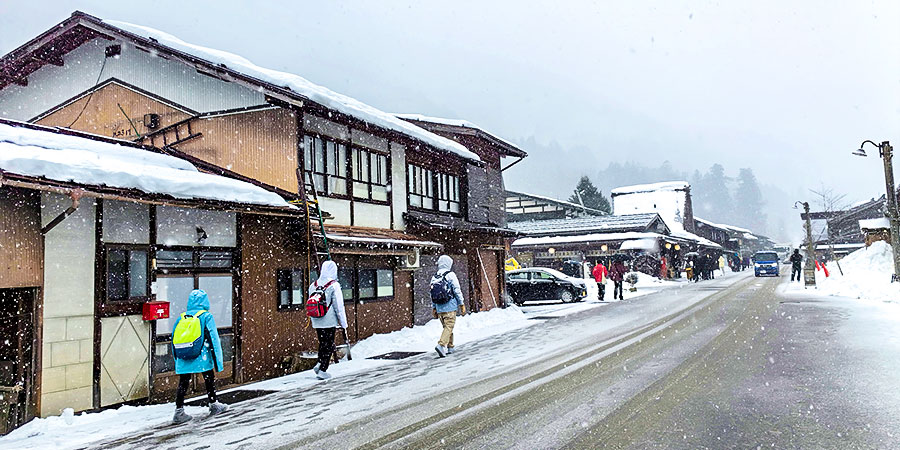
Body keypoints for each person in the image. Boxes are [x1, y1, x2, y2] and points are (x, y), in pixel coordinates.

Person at [172, 289, 228, 424]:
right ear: (205, 301)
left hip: (184, 354)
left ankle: (178, 412)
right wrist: (218, 362)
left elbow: (174, 338)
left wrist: (177, 358)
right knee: (209, 378)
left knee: (183, 382)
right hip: (201, 355)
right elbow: (214, 339)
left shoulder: (182, 317)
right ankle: (213, 404)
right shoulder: (206, 316)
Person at [310, 260, 348, 380]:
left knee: (322, 343)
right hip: (329, 319)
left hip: (316, 319)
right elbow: (338, 306)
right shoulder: (333, 285)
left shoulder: (313, 285)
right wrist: (343, 322)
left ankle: (320, 363)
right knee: (329, 344)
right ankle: (322, 369)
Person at [431, 255, 466, 357]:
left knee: (447, 327)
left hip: (439, 307)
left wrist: (434, 307)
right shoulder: (451, 275)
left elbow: (432, 293)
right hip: (450, 306)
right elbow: (457, 290)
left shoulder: (435, 276)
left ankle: (450, 347)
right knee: (449, 326)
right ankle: (441, 345)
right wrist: (461, 303)